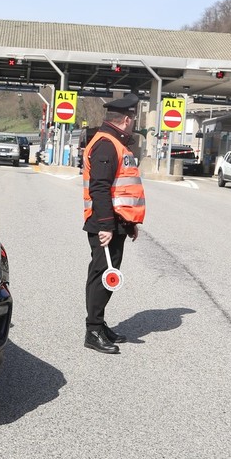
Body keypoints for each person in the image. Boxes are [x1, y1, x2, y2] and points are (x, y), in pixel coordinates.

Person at [82, 93, 145, 354]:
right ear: (127, 119)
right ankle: (93, 330)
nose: (133, 124)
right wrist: (106, 225)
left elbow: (121, 188)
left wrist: (129, 223)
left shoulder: (116, 143)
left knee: (105, 275)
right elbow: (99, 188)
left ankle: (99, 323)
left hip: (114, 222)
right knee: (102, 276)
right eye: (133, 119)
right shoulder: (107, 144)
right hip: (104, 223)